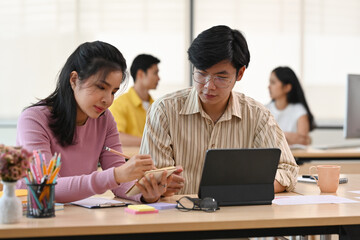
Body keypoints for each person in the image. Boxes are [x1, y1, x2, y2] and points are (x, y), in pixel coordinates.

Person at [139, 25, 299, 196]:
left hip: (236, 217)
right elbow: (150, 178)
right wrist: (157, 187)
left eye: (221, 77)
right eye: (201, 74)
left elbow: (287, 170)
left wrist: (241, 189)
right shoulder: (164, 111)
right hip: (179, 217)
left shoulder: (258, 115)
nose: (209, 86)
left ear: (240, 74)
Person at [16, 41, 170, 203]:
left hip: (78, 216)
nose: (108, 100)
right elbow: (47, 187)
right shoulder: (33, 119)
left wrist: (146, 192)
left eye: (113, 92)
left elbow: (120, 184)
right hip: (34, 215)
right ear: (74, 80)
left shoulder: (105, 119)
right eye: (101, 87)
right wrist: (116, 175)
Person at [109, 54, 160, 147]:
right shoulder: (120, 104)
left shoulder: (157, 106)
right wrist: (152, 142)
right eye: (155, 73)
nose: (158, 78)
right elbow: (117, 138)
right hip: (128, 159)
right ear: (140, 74)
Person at [266, 66, 315, 146]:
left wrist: (275, 134)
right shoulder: (265, 110)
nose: (269, 87)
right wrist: (289, 137)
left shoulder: (299, 110)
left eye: (273, 82)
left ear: (287, 87)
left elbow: (304, 140)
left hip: (294, 157)